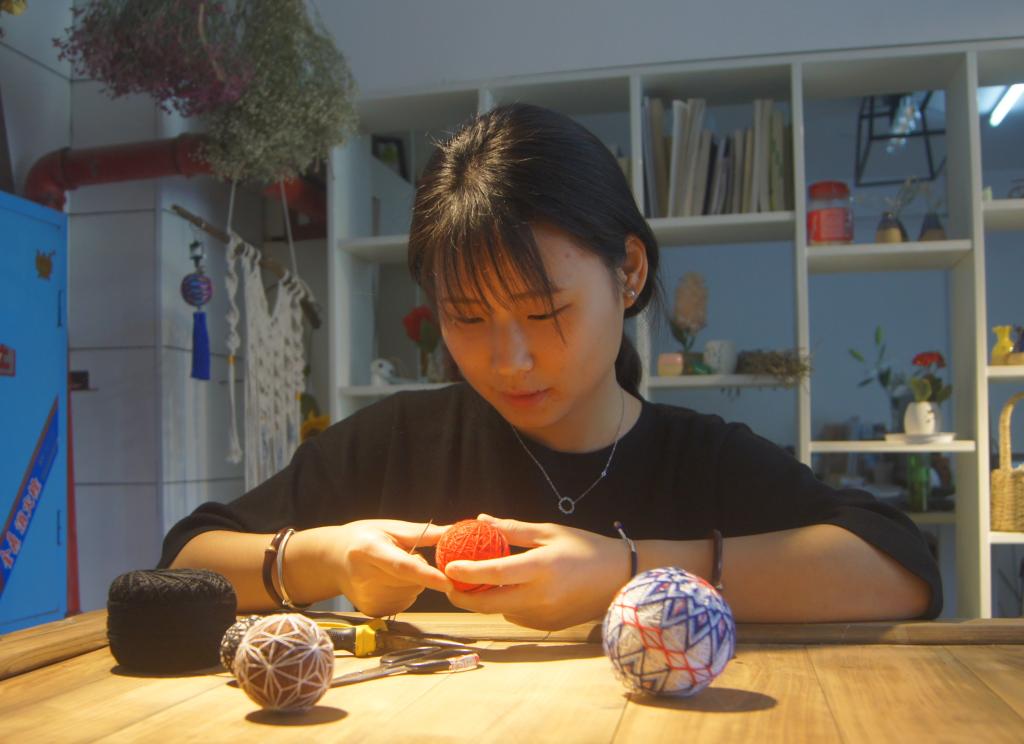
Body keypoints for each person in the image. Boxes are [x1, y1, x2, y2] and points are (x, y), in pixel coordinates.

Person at [161, 103, 941, 630]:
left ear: (628, 273)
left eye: (544, 313)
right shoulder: (400, 441)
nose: (510, 360)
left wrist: (626, 571)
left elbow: (902, 573)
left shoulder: (699, 458)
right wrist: (324, 558)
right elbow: (184, 564)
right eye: (468, 318)